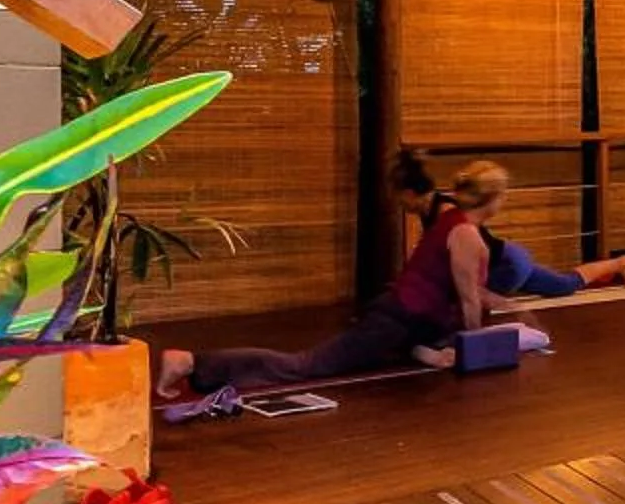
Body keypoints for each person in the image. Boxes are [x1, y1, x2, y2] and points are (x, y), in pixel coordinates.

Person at [159, 160, 533, 403]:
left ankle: (422, 349)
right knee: (302, 366)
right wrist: (478, 352)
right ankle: (190, 362)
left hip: (409, 322)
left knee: (424, 347)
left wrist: (505, 306)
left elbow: (463, 291)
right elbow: (468, 301)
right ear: (495, 198)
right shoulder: (465, 233)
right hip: (395, 320)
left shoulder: (452, 221)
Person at [386, 149, 625, 297]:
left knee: (459, 298)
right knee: (563, 285)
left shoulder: (445, 210)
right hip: (511, 257)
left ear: (410, 194)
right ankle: (619, 263)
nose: (398, 203)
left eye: (398, 196)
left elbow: (471, 257)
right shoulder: (431, 208)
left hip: (507, 265)